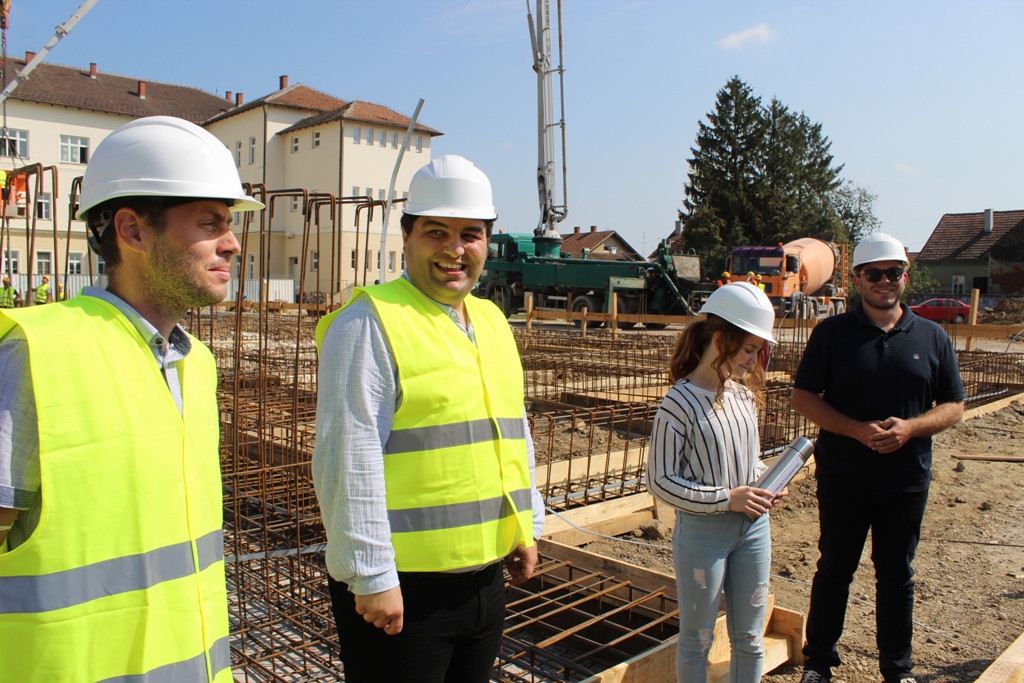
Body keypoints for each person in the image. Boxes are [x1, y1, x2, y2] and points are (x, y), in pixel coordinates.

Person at [0, 116, 263, 681]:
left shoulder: (195, 363)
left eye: (230, 223)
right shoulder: (37, 353)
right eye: (209, 222)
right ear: (133, 230)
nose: (233, 243)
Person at [313, 154, 545, 683]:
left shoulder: (491, 320)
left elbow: (513, 432)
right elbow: (347, 458)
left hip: (484, 582)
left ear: (488, 241)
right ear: (407, 236)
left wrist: (525, 525)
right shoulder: (369, 323)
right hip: (404, 591)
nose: (454, 249)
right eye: (436, 232)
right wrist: (371, 575)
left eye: (470, 234)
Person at [792, 232, 965, 683]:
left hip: (905, 480)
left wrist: (911, 428)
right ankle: (819, 662)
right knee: (835, 568)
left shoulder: (932, 336)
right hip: (844, 476)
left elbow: (954, 405)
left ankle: (897, 669)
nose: (884, 281)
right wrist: (855, 430)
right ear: (857, 280)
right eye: (874, 274)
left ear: (905, 277)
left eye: (893, 272)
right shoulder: (833, 334)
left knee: (896, 574)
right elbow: (803, 397)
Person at [647, 282, 782, 683]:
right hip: (703, 535)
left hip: (754, 529)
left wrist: (767, 481)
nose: (753, 361)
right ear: (720, 341)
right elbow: (660, 481)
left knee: (750, 637)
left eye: (757, 352)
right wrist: (726, 499)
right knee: (697, 639)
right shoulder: (679, 402)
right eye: (748, 350)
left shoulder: (742, 397)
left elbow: (749, 461)